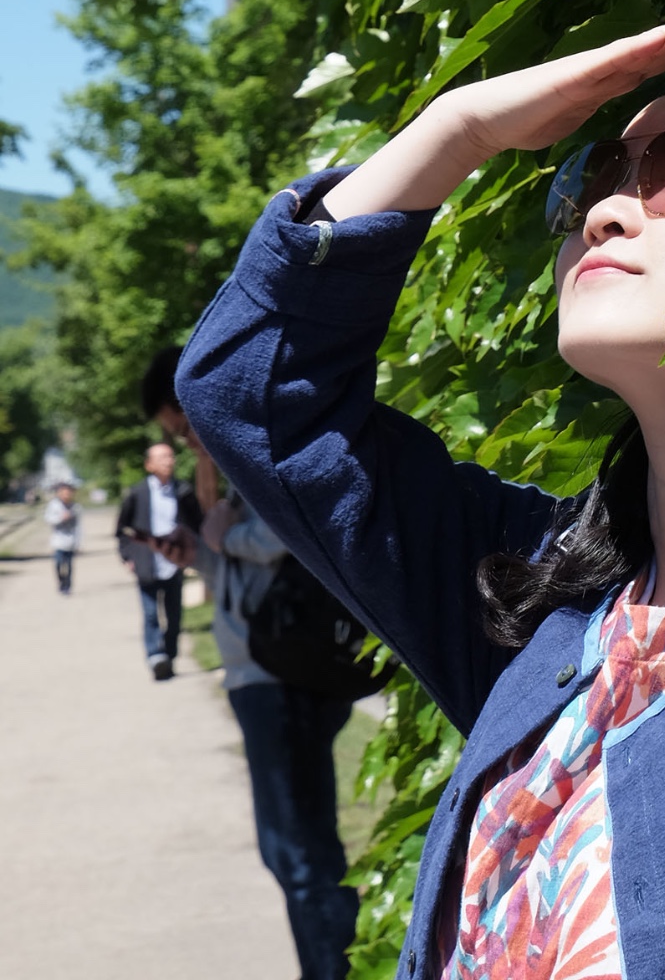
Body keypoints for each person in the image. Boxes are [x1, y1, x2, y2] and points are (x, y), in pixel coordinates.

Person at [177, 11, 665, 980]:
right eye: (591, 182)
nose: (604, 212)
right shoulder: (541, 601)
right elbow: (251, 394)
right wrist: (456, 129)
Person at [140, 349, 359, 980]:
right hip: (268, 668)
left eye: (182, 430)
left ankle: (332, 969)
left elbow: (287, 536)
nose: (187, 444)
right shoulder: (247, 446)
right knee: (305, 846)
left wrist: (221, 538)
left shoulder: (259, 442)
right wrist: (202, 557)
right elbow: (248, 575)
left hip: (278, 676)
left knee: (296, 853)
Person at [116, 440, 201, 679]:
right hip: (146, 560)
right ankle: (155, 656)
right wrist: (127, 556)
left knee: (174, 615)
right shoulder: (137, 493)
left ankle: (169, 656)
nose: (169, 461)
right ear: (149, 465)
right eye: (163, 457)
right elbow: (123, 530)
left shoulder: (183, 491)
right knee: (151, 613)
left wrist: (194, 556)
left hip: (174, 561)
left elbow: (198, 525)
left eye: (171, 457)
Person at [45, 480, 81, 593]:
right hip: (58, 541)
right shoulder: (54, 505)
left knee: (69, 565)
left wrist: (79, 542)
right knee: (59, 564)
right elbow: (48, 519)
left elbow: (79, 526)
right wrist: (61, 518)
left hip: (71, 541)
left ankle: (68, 586)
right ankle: (61, 582)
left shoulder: (75, 507)